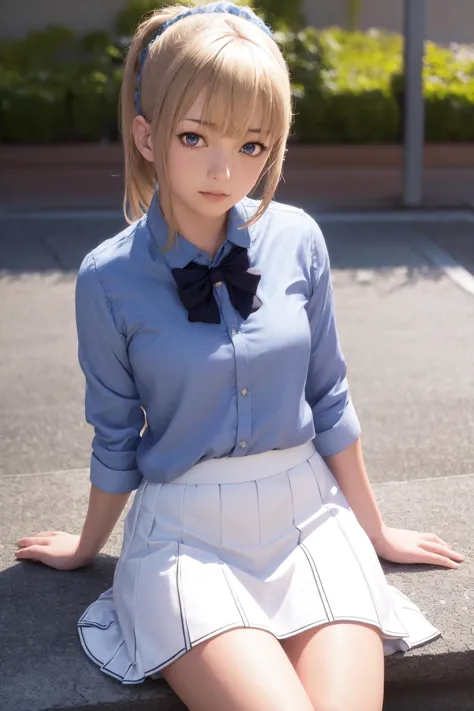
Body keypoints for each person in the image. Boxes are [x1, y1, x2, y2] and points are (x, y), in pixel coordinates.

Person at [15, 3, 464, 710]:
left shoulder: (299, 239)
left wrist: (375, 530)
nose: (226, 169)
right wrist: (85, 545)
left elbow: (330, 395)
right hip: (185, 538)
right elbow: (115, 436)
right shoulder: (108, 278)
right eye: (195, 136)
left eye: (253, 145)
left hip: (307, 518)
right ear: (146, 135)